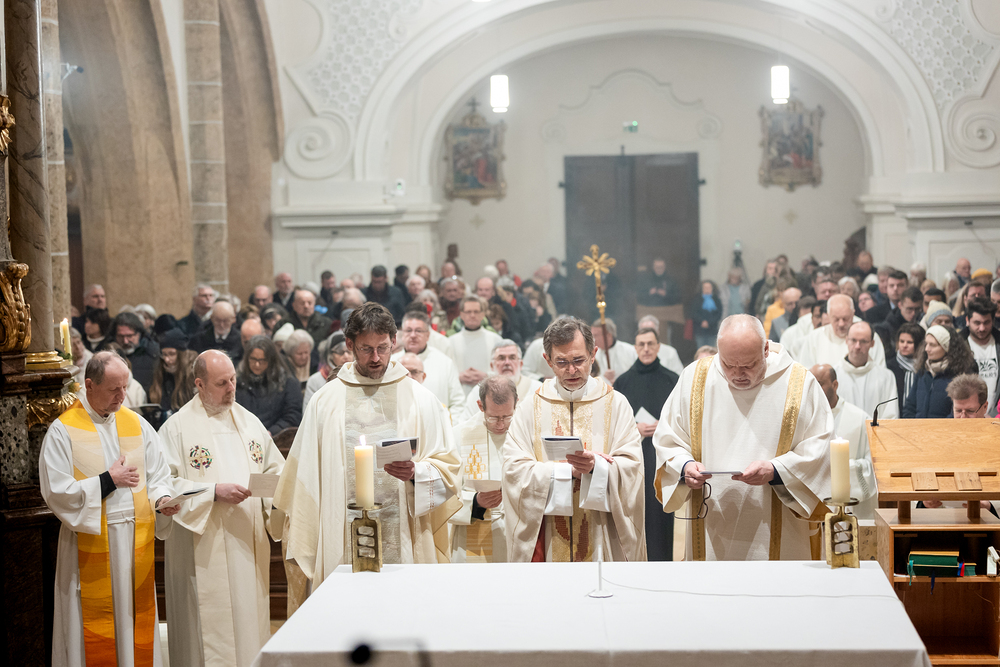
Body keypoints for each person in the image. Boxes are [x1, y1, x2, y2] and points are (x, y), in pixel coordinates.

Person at [274, 303, 461, 607]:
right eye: (366, 349)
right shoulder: (325, 402)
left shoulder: (421, 400)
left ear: (394, 341)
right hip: (341, 534)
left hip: (405, 535)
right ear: (349, 345)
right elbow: (304, 478)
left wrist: (417, 474)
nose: (376, 358)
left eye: (383, 348)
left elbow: (450, 469)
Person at [652, 315, 832, 560]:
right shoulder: (695, 379)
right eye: (728, 364)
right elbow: (669, 438)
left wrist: (776, 470)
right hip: (711, 518)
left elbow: (820, 447)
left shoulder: (799, 384)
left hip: (780, 522)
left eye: (748, 365)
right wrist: (685, 466)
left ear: (766, 349)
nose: (738, 374)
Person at [40, 352, 179, 666]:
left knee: (133, 623)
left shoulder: (137, 425)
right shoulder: (63, 430)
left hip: (135, 543)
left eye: (125, 387)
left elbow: (158, 475)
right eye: (114, 389)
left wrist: (161, 501)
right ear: (89, 385)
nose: (122, 396)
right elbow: (56, 491)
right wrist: (107, 481)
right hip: (90, 542)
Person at [160, 351, 285, 667]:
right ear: (199, 384)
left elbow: (276, 470)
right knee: (204, 632)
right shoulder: (176, 429)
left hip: (247, 546)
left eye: (233, 380)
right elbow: (162, 484)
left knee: (248, 622)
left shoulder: (250, 423)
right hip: (201, 547)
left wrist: (277, 492)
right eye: (221, 383)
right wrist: (213, 492)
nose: (231, 388)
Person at [502, 317, 645, 562]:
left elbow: (632, 468)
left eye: (579, 360)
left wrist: (596, 468)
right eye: (561, 362)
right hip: (549, 535)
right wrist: (564, 472)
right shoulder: (530, 407)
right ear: (547, 360)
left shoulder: (615, 404)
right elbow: (513, 470)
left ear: (593, 354)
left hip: (600, 532)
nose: (571, 370)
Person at [613, 326, 679, 560]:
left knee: (660, 515)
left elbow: (681, 418)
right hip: (634, 457)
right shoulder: (622, 383)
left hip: (662, 457)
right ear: (635, 348)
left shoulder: (673, 380)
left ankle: (662, 563)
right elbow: (614, 422)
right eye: (641, 344)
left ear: (659, 347)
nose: (646, 349)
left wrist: (664, 425)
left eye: (651, 344)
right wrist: (635, 427)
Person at [450, 376, 517, 562]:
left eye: (507, 417)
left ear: (516, 403)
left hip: (514, 533)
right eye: (494, 417)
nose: (501, 424)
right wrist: (476, 502)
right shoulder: (459, 436)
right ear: (481, 406)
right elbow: (444, 493)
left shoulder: (524, 435)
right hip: (471, 534)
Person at [810, 364, 877, 519]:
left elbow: (873, 466)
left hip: (853, 509)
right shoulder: (805, 418)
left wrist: (837, 469)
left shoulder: (860, 419)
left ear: (835, 385)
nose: (813, 389)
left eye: (819, 383)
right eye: (811, 383)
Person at [392, 311, 465, 422]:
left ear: (428, 335)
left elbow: (458, 402)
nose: (413, 335)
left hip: (437, 426)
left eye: (418, 331)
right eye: (408, 330)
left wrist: (448, 427)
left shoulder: (444, 363)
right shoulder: (391, 362)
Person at [458, 339, 543, 421]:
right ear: (492, 366)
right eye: (501, 358)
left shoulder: (538, 390)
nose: (507, 363)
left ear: (521, 364)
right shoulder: (478, 391)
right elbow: (466, 424)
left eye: (512, 358)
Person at [903, 324, 976, 418]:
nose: (927, 349)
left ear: (946, 347)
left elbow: (958, 411)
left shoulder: (961, 375)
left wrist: (939, 427)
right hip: (918, 426)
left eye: (932, 345)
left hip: (945, 427)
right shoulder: (922, 371)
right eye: (926, 344)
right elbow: (910, 406)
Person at [235, 335, 303, 435]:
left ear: (271, 360)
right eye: (253, 359)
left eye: (262, 360)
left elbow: (293, 416)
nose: (257, 364)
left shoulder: (288, 382)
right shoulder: (237, 381)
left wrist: (271, 432)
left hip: (277, 438)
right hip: (243, 435)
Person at [799, 294, 886, 368]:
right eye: (836, 319)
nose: (841, 324)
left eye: (845, 319)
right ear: (828, 316)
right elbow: (805, 372)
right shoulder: (814, 338)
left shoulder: (867, 336)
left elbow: (879, 372)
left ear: (853, 314)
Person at [835, 322, 899, 419]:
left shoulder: (886, 377)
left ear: (872, 344)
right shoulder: (835, 375)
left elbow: (891, 415)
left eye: (863, 341)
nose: (857, 346)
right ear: (846, 340)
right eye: (853, 340)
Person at [448, 296, 504, 394]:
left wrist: (487, 376)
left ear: (483, 314)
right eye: (468, 312)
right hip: (460, 394)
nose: (472, 315)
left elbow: (504, 372)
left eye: (476, 312)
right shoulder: (451, 342)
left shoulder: (496, 340)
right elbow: (445, 372)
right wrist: (458, 377)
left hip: (490, 393)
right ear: (461, 315)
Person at [147, 329, 197, 425]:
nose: (166, 359)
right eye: (164, 354)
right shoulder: (160, 373)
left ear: (182, 354)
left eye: (172, 354)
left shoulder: (193, 374)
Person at [960, 296, 999, 416]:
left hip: (996, 416)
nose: (982, 328)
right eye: (977, 323)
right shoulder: (958, 346)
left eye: (986, 323)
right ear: (967, 320)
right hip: (966, 415)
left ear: (993, 320)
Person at [105, 312, 161, 393]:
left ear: (139, 334)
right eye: (121, 336)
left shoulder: (153, 353)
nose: (125, 341)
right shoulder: (107, 353)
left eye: (129, 336)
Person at [304, 332, 353, 408]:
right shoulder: (315, 381)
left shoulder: (361, 378)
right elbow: (309, 411)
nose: (346, 356)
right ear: (330, 355)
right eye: (340, 352)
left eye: (349, 352)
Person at [885, 322, 924, 416]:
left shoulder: (925, 368)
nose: (904, 345)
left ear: (919, 344)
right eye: (901, 341)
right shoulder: (889, 367)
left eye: (909, 342)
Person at [592, 317, 637, 385]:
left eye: (596, 335)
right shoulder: (594, 354)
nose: (593, 339)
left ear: (608, 335)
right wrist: (603, 378)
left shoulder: (629, 351)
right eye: (592, 335)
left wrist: (618, 381)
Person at [691, 280, 722, 348]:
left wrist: (709, 322)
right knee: (701, 348)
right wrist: (702, 321)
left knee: (711, 349)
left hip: (712, 330)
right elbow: (693, 313)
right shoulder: (696, 300)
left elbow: (718, 314)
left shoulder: (716, 300)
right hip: (699, 330)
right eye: (705, 287)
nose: (707, 289)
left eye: (709, 287)